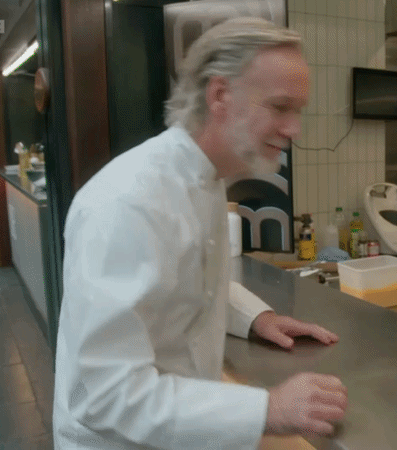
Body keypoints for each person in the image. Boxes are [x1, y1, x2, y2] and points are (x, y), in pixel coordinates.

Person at [53, 17, 347, 449]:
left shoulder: (206, 180)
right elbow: (104, 395)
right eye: (280, 107)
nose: (294, 130)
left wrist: (256, 318)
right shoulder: (128, 203)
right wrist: (268, 408)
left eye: (297, 111)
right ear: (220, 95)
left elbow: (185, 284)